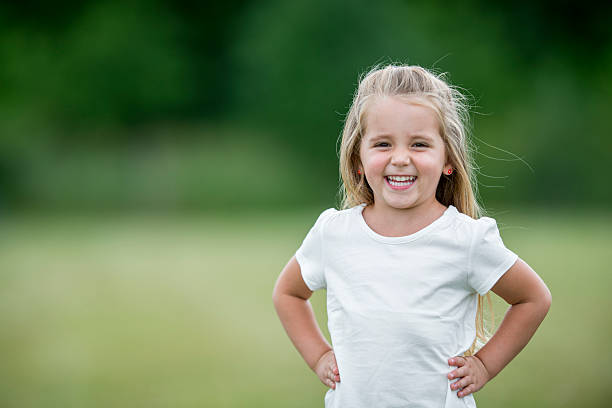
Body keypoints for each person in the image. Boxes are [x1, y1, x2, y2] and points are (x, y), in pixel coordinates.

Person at [272, 64, 551, 408]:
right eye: (383, 144)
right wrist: (318, 356)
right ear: (359, 157)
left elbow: (533, 298)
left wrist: (483, 364)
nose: (400, 158)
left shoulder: (467, 240)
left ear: (447, 157)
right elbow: (287, 293)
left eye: (419, 144)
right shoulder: (334, 233)